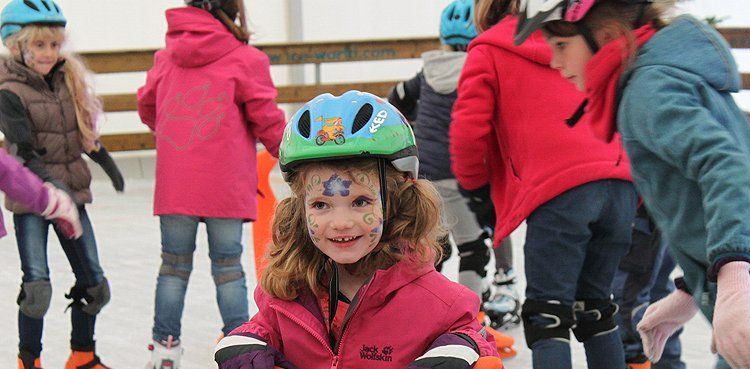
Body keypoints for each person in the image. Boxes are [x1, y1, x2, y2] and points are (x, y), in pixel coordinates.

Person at [515, 0, 750, 368]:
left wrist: (734, 276)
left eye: (562, 45)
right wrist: (691, 290)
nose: (554, 61)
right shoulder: (662, 75)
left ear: (605, 37)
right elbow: (708, 192)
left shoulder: (647, 91)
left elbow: (726, 166)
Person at [213, 91, 500, 369]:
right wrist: (246, 341)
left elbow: (476, 335)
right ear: (300, 209)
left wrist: (459, 347)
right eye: (321, 205)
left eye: (360, 201)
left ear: (396, 202)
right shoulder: (290, 293)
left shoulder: (437, 302)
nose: (340, 222)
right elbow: (265, 328)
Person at [451, 0, 636, 368]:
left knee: (546, 316)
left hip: (560, 191)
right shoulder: (577, 35)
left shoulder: (489, 48)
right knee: (596, 308)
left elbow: (467, 131)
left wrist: (475, 188)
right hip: (620, 185)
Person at [136, 0, 286, 367]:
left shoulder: (165, 58)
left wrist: (179, 139)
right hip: (226, 184)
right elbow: (266, 118)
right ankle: (238, 345)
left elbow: (147, 107)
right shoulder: (245, 59)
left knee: (172, 266)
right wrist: (292, 154)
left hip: (177, 184)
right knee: (228, 269)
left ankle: (165, 350)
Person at [0, 0, 125, 367]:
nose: (50, 53)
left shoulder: (68, 78)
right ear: (16, 44)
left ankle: (82, 356)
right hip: (31, 200)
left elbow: (83, 132)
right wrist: (53, 190)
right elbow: (23, 151)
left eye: (55, 44)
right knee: (37, 286)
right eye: (40, 45)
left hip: (73, 193)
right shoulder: (8, 91)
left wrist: (105, 162)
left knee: (95, 284)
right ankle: (29, 360)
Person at [386, 0, 521, 335]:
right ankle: (469, 320)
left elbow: (396, 98)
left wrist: (415, 126)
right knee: (474, 247)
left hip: (423, 170)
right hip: (461, 172)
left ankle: (425, 307)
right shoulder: (482, 66)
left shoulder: (427, 72)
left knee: (436, 244)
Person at [611, 206, 684, 369]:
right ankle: (665, 364)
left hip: (642, 211)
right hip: (664, 210)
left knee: (628, 304)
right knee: (657, 298)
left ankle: (638, 361)